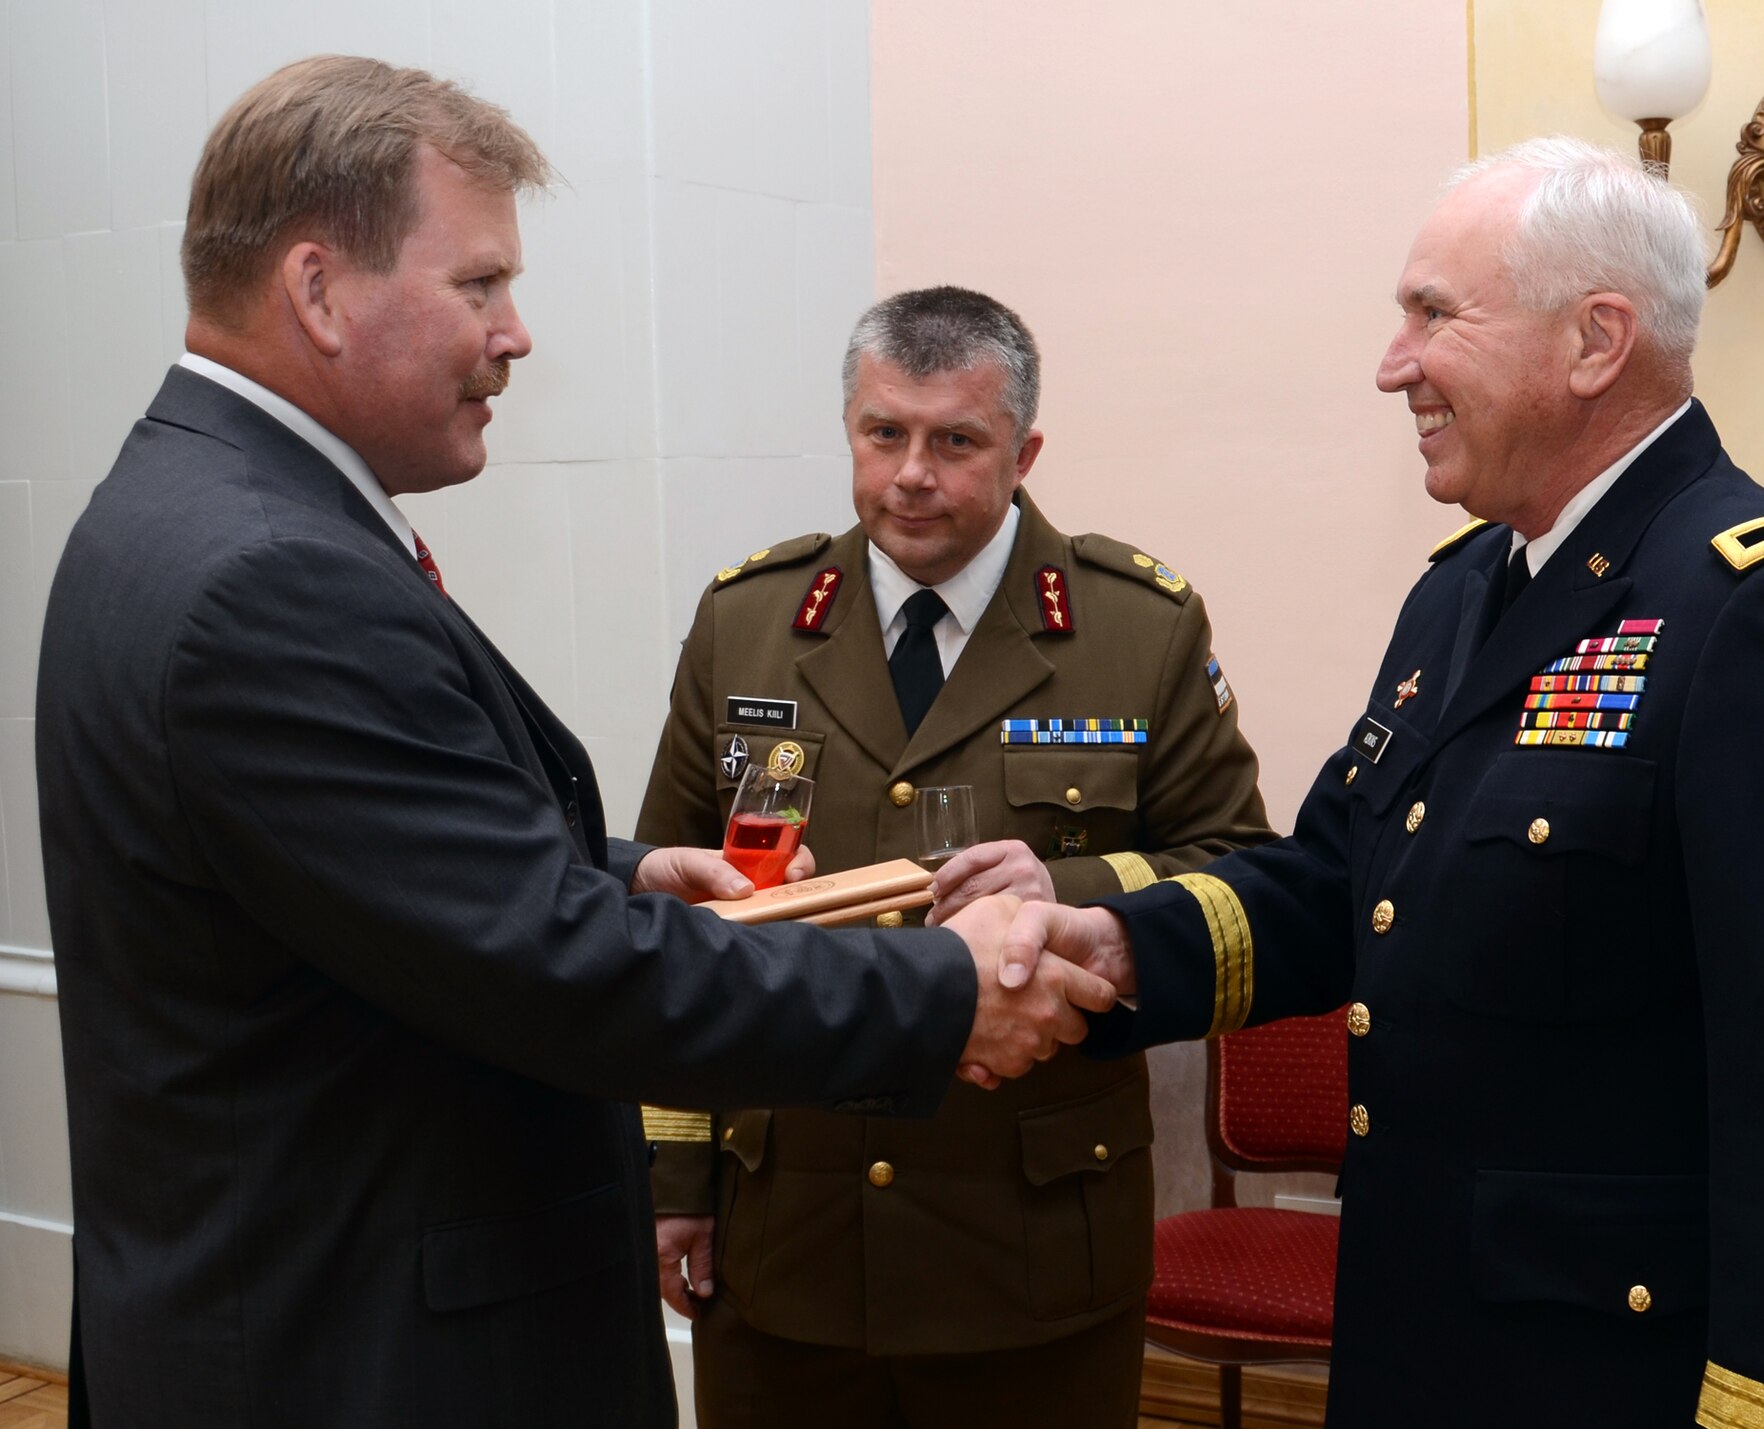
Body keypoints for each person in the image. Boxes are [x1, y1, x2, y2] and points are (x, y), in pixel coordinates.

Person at [34, 58, 1110, 1429]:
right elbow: (563, 980)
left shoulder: (182, 502)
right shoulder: (269, 574)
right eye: (480, 283)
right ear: (318, 290)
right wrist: (942, 992)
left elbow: (368, 871)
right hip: (356, 1351)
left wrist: (609, 875)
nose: (517, 332)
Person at [1003, 137, 1764, 1429]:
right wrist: (1121, 943)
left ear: (1595, 341)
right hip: (1425, 1347)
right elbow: (1339, 882)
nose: (1391, 364)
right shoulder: (1465, 591)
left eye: (1432, 315)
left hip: (1621, 1382)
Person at [633, 285, 1273, 1427]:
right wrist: (674, 1179)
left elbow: (1236, 867)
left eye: (954, 441)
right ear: (848, 429)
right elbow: (670, 923)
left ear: (1022, 451)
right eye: (884, 434)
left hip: (1028, 1243)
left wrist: (1063, 889)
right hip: (788, 1235)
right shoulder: (749, 618)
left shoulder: (1137, 626)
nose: (911, 473)